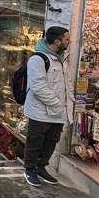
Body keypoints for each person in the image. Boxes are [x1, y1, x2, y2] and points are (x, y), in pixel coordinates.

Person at [23, 25, 72, 186]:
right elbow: (38, 87)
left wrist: (69, 102)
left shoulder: (61, 58)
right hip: (40, 112)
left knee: (51, 141)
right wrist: (57, 103)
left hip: (58, 112)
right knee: (35, 141)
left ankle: (41, 167)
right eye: (66, 38)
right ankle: (29, 170)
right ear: (57, 41)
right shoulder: (38, 59)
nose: (69, 41)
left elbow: (66, 83)